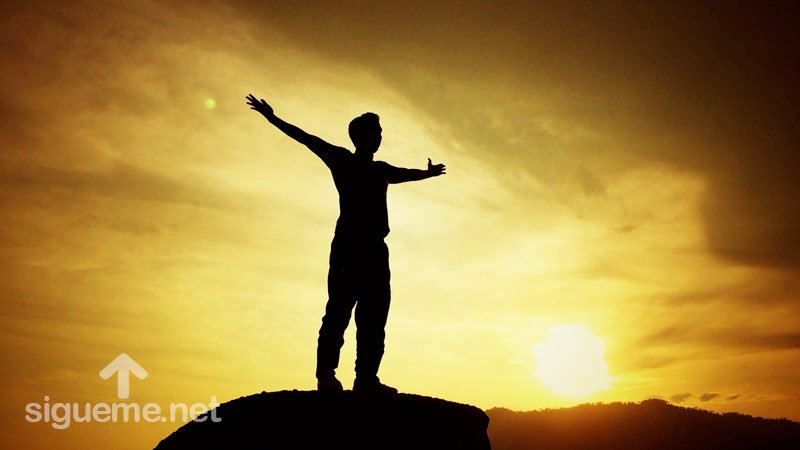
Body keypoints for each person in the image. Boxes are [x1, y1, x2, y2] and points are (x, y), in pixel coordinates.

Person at [246, 94, 446, 394]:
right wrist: (272, 118)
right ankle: (326, 376)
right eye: (373, 133)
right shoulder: (341, 160)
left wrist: (428, 174)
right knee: (338, 311)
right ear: (358, 137)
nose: (378, 138)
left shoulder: (381, 170)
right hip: (348, 248)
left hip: (376, 251)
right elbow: (306, 138)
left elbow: (404, 174)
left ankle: (366, 379)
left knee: (374, 318)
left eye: (379, 133)